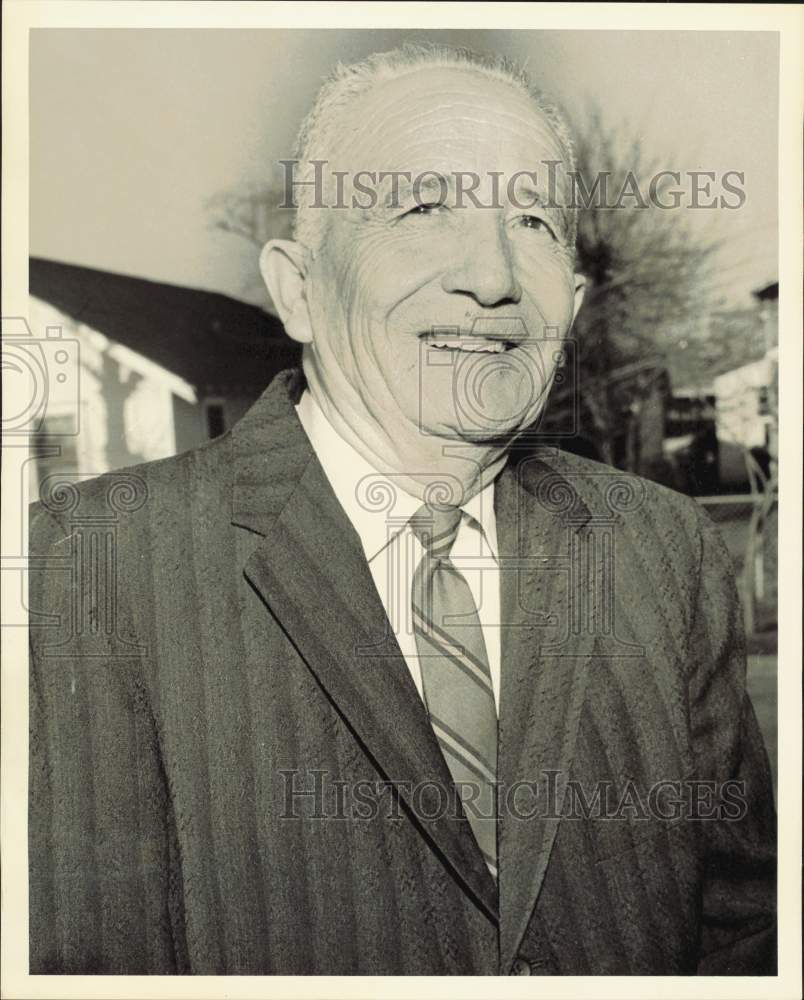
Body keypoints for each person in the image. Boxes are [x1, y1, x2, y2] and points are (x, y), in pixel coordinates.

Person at [29, 44, 776, 976]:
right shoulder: (98, 567)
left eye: (534, 220)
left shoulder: (663, 553)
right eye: (425, 208)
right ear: (298, 287)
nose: (494, 277)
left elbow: (746, 935)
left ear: (572, 301)